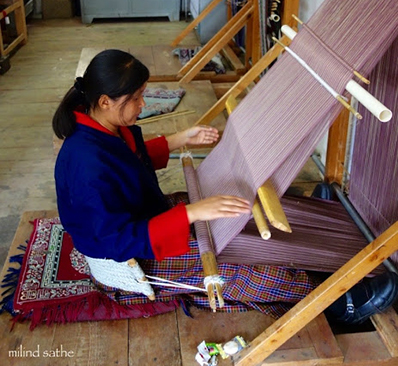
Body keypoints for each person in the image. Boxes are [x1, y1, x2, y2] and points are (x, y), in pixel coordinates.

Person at [53, 49, 398, 321]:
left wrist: (178, 139)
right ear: (104, 101)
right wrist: (190, 211)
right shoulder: (87, 165)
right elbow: (116, 240)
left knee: (232, 208)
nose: (144, 104)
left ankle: (314, 226)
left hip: (144, 215)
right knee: (247, 267)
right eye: (137, 98)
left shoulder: (103, 126)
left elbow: (129, 158)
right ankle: (338, 302)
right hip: (134, 260)